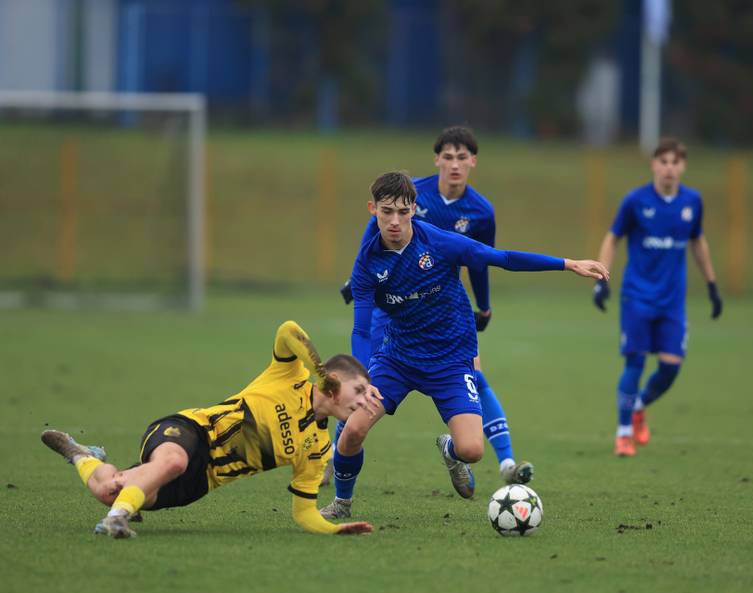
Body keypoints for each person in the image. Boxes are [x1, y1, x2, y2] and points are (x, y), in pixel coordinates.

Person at [321, 171, 608, 519]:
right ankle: (342, 503)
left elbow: (501, 258)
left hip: (450, 358)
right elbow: (363, 331)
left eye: (402, 211)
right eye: (386, 212)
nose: (394, 221)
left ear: (414, 208)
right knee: (352, 431)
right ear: (373, 210)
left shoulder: (441, 243)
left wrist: (568, 264)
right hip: (398, 358)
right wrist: (361, 382)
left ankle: (451, 453)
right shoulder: (368, 263)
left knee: (472, 450)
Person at [41, 321, 381, 538]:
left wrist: (335, 530)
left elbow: (304, 512)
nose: (364, 402)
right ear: (333, 384)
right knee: (173, 462)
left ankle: (81, 456)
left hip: (202, 481)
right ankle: (116, 519)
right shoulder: (289, 376)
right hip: (190, 430)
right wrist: (317, 369)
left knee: (110, 488)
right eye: (359, 392)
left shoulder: (319, 449)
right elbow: (288, 330)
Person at [337, 126, 532, 486]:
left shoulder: (480, 211)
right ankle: (338, 458)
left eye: (462, 157)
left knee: (474, 373)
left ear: (473, 162)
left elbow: (482, 260)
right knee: (366, 386)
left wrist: (484, 306)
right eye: (448, 156)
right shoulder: (411, 194)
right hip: (391, 305)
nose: (455, 164)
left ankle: (497, 457)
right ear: (437, 159)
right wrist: (357, 277)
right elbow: (373, 237)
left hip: (441, 307)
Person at [592, 138, 723, 457]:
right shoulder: (635, 201)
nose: (669, 168)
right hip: (637, 296)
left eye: (674, 162)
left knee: (671, 367)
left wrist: (712, 285)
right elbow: (613, 238)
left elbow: (698, 242)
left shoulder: (693, 202)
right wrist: (601, 278)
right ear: (653, 165)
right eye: (663, 161)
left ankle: (639, 406)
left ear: (683, 166)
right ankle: (623, 433)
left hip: (672, 301)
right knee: (635, 361)